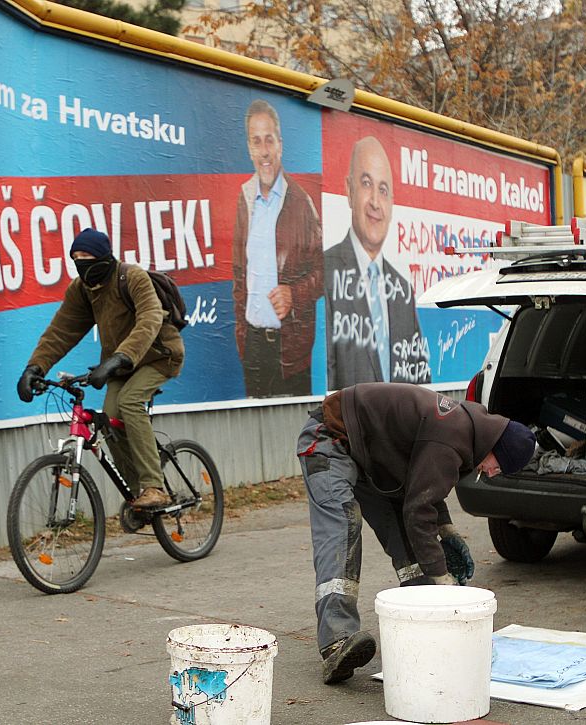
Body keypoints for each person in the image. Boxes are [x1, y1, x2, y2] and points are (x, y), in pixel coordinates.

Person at [296, 382, 536, 684]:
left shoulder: (468, 433)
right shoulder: (453, 435)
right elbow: (419, 511)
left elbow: (427, 489)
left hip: (370, 459)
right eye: (498, 466)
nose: (491, 473)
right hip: (330, 436)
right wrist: (442, 578)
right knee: (343, 526)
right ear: (496, 448)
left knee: (406, 538)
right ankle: (337, 641)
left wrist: (448, 533)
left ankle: (425, 627)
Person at [16, 228, 185, 508]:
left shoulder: (131, 277)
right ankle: (138, 496)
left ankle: (154, 486)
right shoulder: (82, 289)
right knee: (109, 419)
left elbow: (150, 319)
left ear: (105, 257)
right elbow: (61, 331)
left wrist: (119, 358)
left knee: (130, 402)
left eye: (87, 256)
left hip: (159, 357)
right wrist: (35, 367)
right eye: (76, 257)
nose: (81, 262)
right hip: (120, 365)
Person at [232, 99, 323, 398]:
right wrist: (243, 339)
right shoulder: (244, 200)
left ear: (280, 144)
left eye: (269, 140)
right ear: (249, 148)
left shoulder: (301, 202)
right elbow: (238, 276)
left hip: (291, 352)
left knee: (296, 433)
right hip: (254, 350)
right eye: (256, 141)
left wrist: (294, 295)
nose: (264, 150)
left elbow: (325, 270)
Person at [325, 136, 430, 389]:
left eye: (383, 190)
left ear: (391, 204)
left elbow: (420, 378)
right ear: (349, 191)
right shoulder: (325, 274)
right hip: (350, 427)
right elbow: (324, 379)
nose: (375, 202)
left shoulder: (402, 290)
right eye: (366, 184)